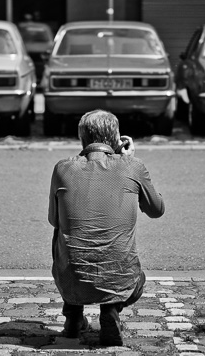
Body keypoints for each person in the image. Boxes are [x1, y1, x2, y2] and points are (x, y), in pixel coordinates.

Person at [48, 109, 166, 346]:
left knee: (62, 231)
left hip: (71, 280)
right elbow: (157, 209)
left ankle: (73, 318)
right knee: (115, 248)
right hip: (122, 281)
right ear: (116, 139)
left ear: (82, 139)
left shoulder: (63, 168)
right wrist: (129, 159)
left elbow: (54, 220)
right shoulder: (132, 166)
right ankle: (110, 311)